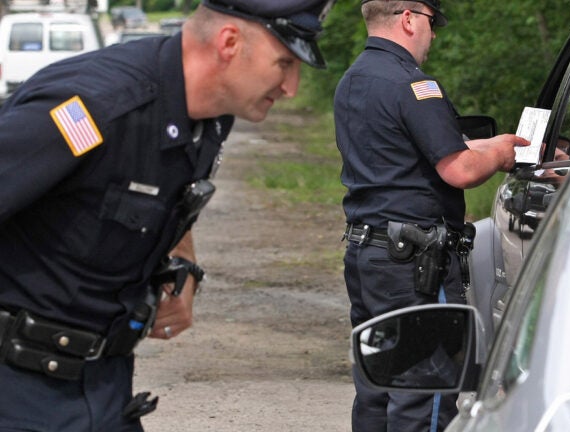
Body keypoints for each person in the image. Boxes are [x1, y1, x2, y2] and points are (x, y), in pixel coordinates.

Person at [0, 0, 335, 430]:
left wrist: (182, 264)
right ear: (229, 43)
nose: (291, 87)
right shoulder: (94, 110)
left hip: (104, 386)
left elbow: (169, 196)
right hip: (19, 393)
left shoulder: (210, 117)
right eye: (285, 63)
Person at [334, 1, 529, 430]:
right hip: (416, 266)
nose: (434, 33)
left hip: (370, 256)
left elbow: (419, 150)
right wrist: (499, 156)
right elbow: (459, 169)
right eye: (431, 21)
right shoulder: (415, 85)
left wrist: (494, 143)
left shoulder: (354, 80)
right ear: (408, 18)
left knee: (377, 386)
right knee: (425, 397)